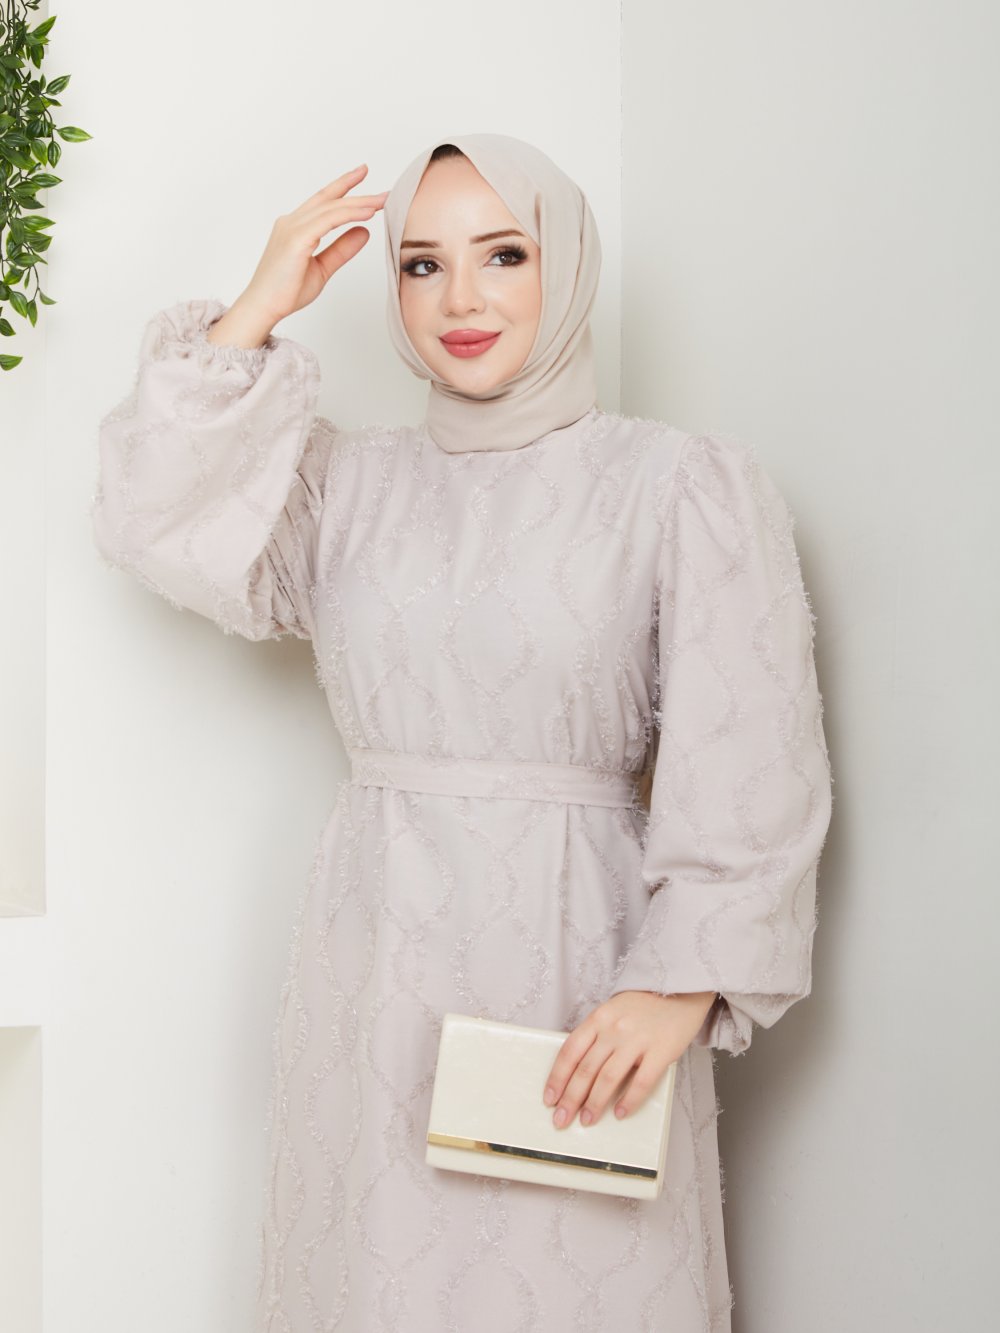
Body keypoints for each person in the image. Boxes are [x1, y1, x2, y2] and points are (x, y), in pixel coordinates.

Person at [91, 132, 833, 1332]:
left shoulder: (675, 483)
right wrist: (255, 311)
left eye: (503, 254)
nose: (461, 300)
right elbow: (153, 519)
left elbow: (752, 748)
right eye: (421, 265)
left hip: (583, 959)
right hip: (375, 957)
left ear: (567, 263)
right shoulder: (342, 488)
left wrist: (681, 982)